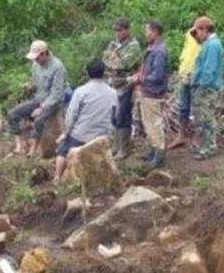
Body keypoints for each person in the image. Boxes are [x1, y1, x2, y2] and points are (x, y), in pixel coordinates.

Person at [54, 60, 118, 181]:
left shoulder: (81, 91)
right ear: (104, 73)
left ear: (88, 74)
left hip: (81, 135)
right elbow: (115, 115)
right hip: (102, 135)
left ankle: (57, 177)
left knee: (63, 150)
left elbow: (71, 114)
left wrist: (66, 132)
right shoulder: (113, 92)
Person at [8, 40, 67, 156]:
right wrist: (29, 86)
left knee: (38, 119)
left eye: (37, 58)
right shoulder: (36, 65)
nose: (36, 60)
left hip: (52, 102)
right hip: (38, 98)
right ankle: (19, 146)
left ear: (44, 54)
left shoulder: (58, 67)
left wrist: (42, 108)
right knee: (12, 114)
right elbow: (36, 83)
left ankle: (34, 148)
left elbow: (57, 93)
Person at [103, 18, 143, 157]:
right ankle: (116, 145)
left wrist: (112, 60)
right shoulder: (114, 44)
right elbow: (105, 59)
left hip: (126, 84)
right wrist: (112, 60)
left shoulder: (133, 46)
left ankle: (124, 148)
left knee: (123, 115)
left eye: (119, 30)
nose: (117, 33)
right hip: (112, 83)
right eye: (115, 30)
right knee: (113, 115)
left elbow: (123, 64)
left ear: (127, 30)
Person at [136, 20, 171, 169]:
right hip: (148, 92)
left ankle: (159, 156)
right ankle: (152, 151)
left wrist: (141, 78)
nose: (146, 34)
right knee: (148, 123)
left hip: (153, 93)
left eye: (147, 31)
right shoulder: (153, 49)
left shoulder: (159, 52)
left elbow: (157, 75)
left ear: (155, 32)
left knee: (155, 124)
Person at [189, 16, 224, 159]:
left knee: (206, 119)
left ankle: (209, 148)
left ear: (204, 30)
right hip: (204, 87)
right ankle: (204, 146)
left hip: (207, 88)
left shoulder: (213, 45)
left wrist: (201, 85)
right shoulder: (209, 44)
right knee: (201, 119)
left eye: (196, 32)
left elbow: (209, 69)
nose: (196, 36)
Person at [170, 22, 201, 150]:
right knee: (183, 107)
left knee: (198, 109)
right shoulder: (189, 35)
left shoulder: (205, 41)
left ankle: (198, 139)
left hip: (197, 79)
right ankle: (181, 135)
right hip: (185, 78)